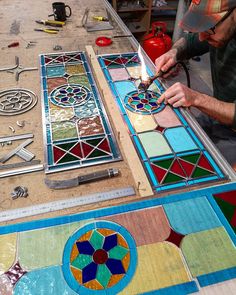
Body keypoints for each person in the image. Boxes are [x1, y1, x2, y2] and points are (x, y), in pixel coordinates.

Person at [155, 0, 236, 170]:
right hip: (218, 115)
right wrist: (174, 53)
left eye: (209, 29)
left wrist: (197, 99)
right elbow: (194, 41)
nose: (202, 36)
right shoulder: (223, 28)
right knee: (169, 143)